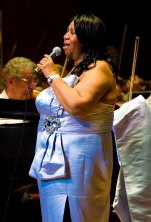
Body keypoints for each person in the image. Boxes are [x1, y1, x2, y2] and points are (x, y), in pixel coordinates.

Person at [29, 12, 118, 222]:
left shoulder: (100, 68)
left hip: (81, 159)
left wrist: (52, 75)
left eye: (72, 32)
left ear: (87, 37)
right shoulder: (78, 69)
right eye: (66, 31)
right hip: (56, 156)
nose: (65, 37)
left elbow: (77, 105)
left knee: (77, 213)